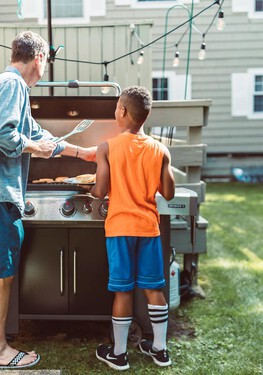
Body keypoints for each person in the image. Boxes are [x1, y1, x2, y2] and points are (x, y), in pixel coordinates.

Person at [0, 31, 96, 370]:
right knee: (1, 274)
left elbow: (35, 133)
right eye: (47, 61)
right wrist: (35, 148)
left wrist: (81, 152)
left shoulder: (6, 85)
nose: (46, 66)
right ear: (39, 59)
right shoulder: (13, 85)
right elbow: (3, 135)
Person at [90, 86, 175, 371]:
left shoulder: (107, 147)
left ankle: (119, 354)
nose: (116, 110)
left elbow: (100, 191)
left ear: (123, 111)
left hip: (120, 228)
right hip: (149, 227)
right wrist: (165, 161)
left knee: (123, 291)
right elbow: (169, 192)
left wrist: (92, 185)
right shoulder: (160, 149)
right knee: (154, 288)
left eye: (116, 106)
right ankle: (160, 349)